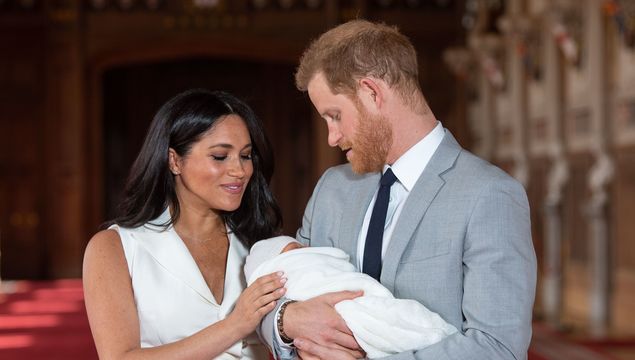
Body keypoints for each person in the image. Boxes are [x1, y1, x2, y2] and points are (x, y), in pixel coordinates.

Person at [260, 20, 537, 360]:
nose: (332, 136)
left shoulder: (489, 195)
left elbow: (498, 348)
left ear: (372, 93)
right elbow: (281, 288)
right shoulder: (333, 188)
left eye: (334, 116)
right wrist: (287, 320)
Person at [83, 89, 287, 360]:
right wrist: (235, 324)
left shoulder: (259, 244)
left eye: (246, 155)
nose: (240, 170)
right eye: (219, 156)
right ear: (175, 160)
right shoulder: (116, 247)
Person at [245, 236, 457, 359]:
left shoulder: (483, 190)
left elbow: (488, 342)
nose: (307, 248)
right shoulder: (329, 187)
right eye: (298, 248)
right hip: (349, 312)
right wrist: (286, 318)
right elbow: (266, 302)